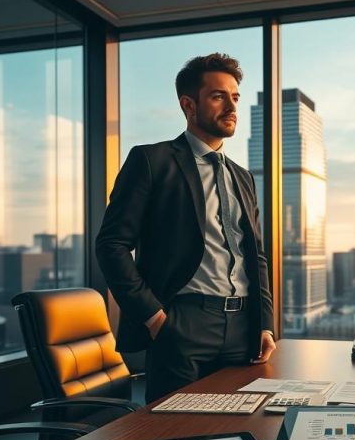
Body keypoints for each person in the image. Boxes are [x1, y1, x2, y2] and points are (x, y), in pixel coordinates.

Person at [96, 53, 275, 402]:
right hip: (183, 324)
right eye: (218, 96)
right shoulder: (152, 161)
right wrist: (155, 318)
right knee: (177, 436)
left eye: (235, 97)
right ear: (189, 104)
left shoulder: (243, 176)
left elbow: (257, 255)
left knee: (240, 434)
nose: (231, 106)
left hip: (243, 328)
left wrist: (265, 322)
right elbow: (111, 245)